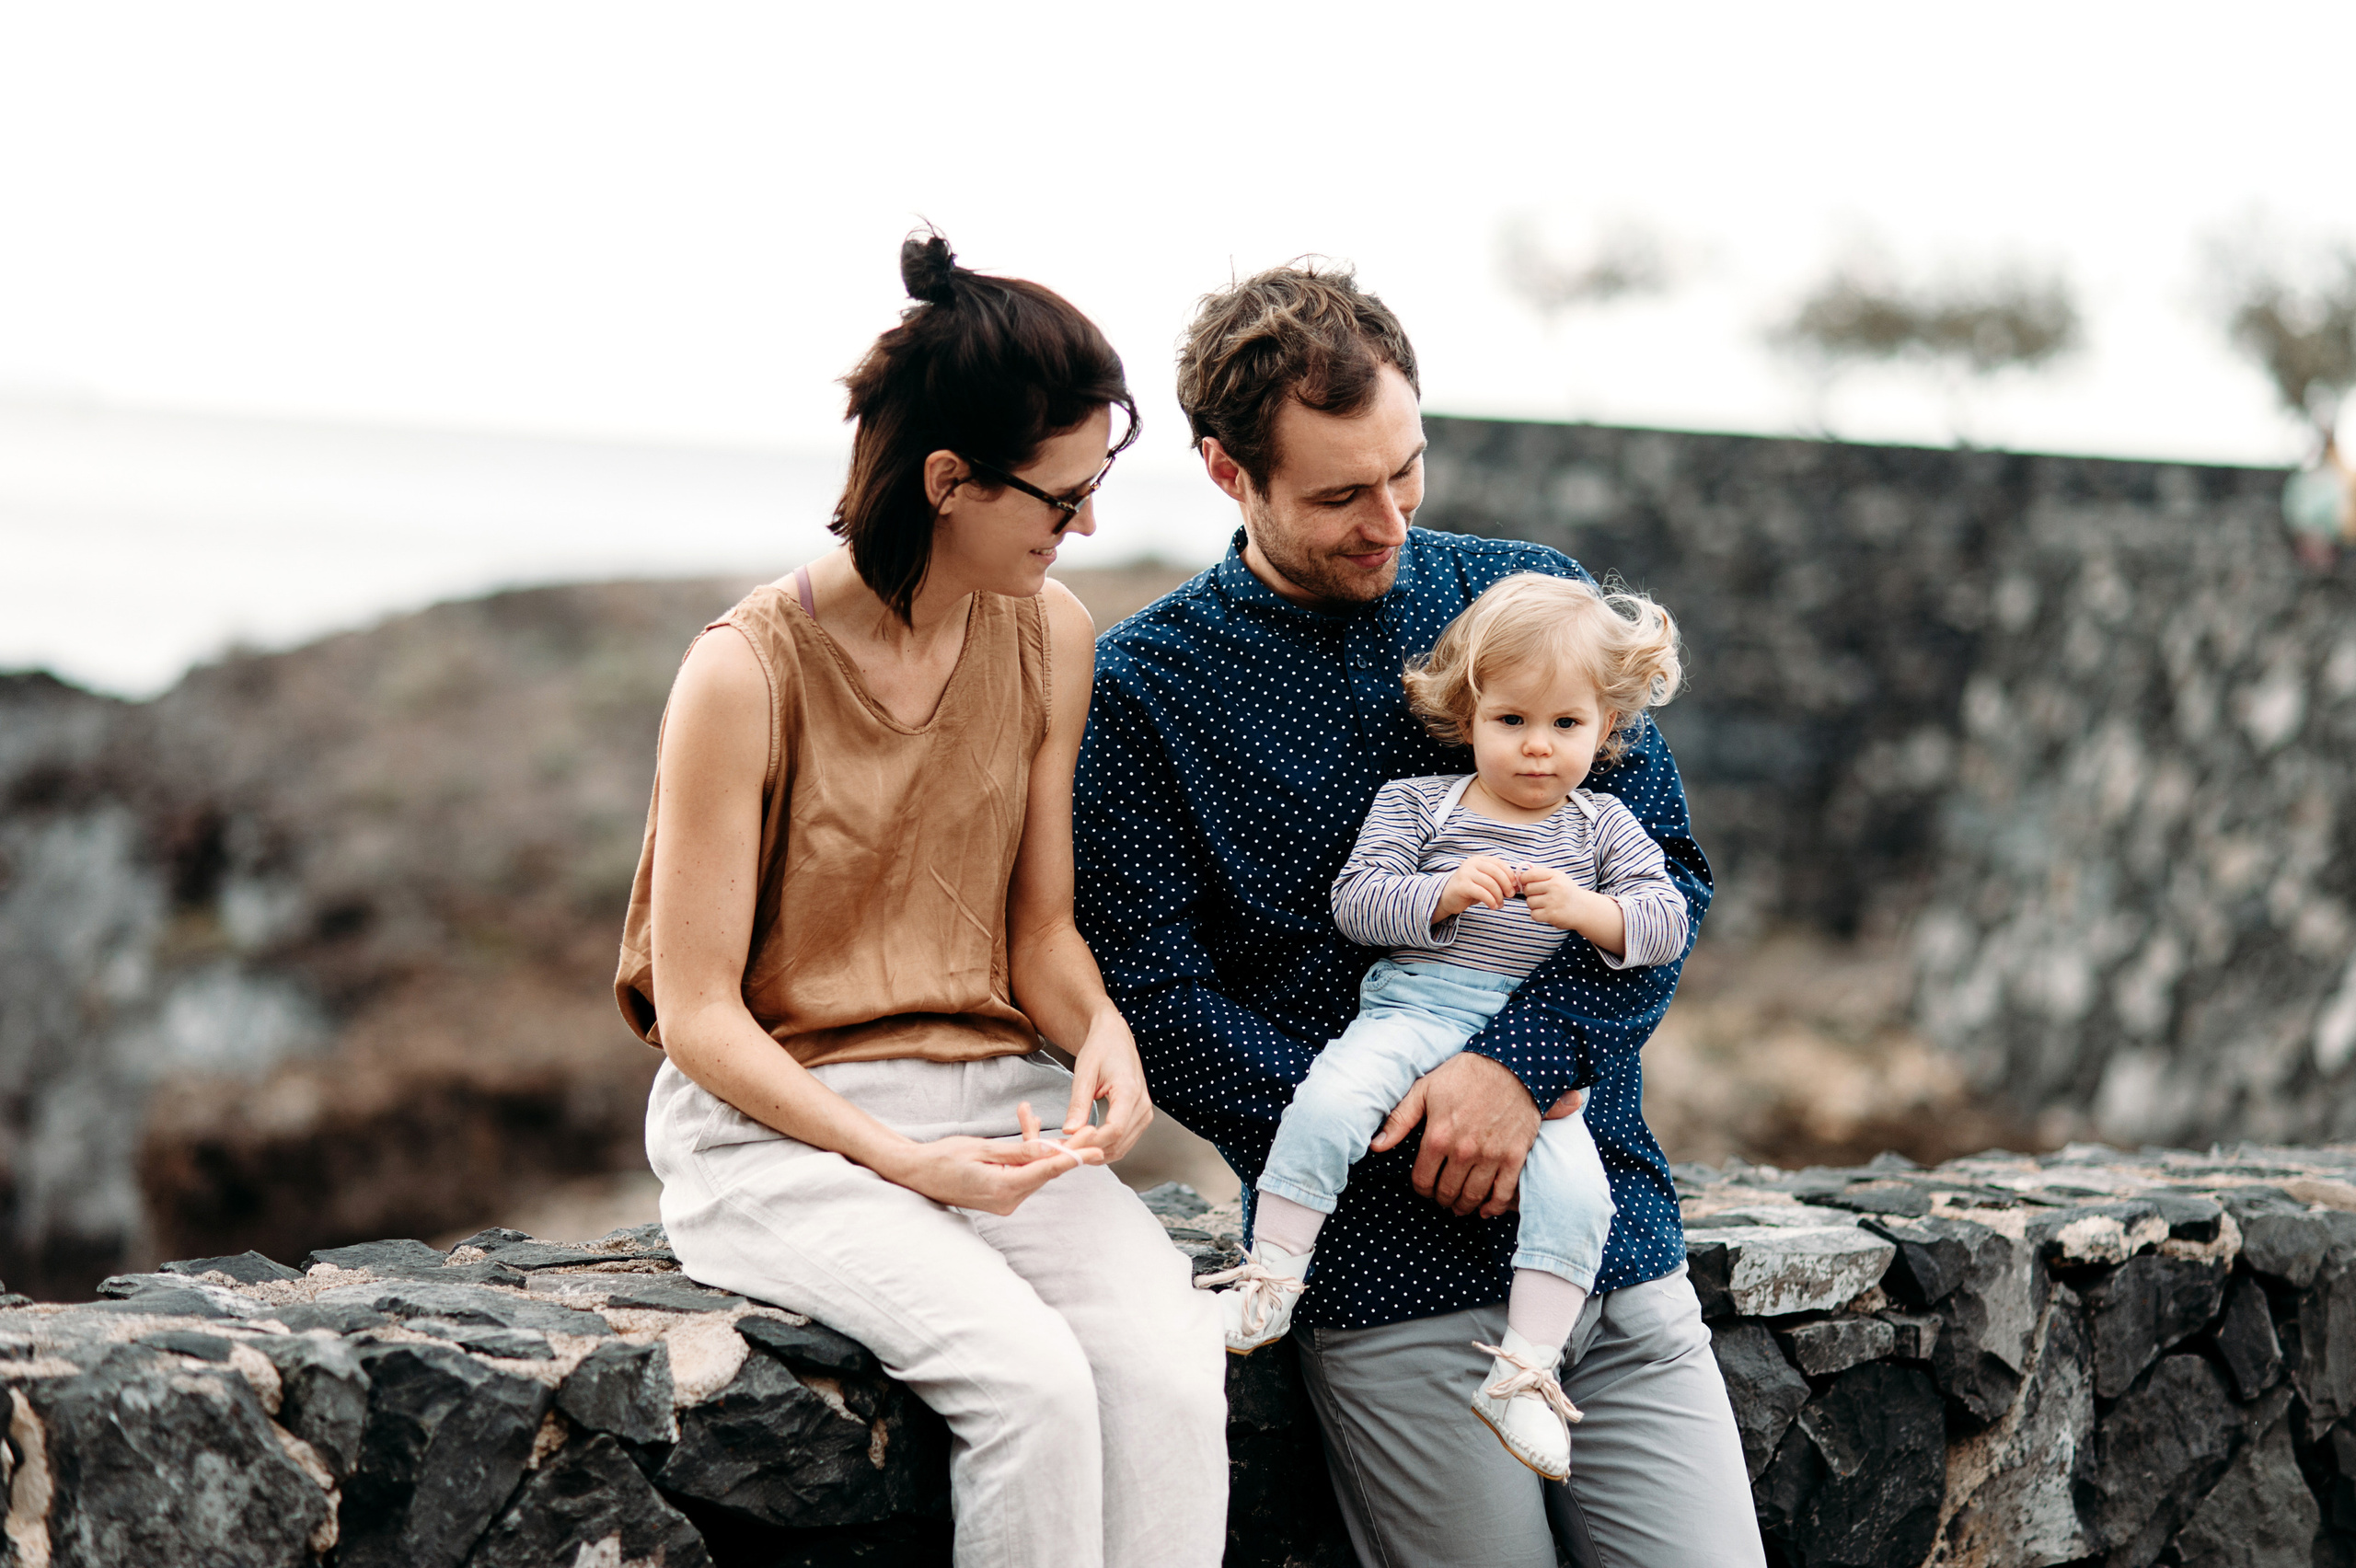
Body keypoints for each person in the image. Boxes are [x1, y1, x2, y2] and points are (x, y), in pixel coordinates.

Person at [1072, 259, 1764, 1567]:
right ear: (1226, 472)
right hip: (1384, 1281)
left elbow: (1664, 875)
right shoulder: (1144, 690)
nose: (1387, 520)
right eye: (1340, 495)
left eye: (1408, 471)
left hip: (1611, 1243)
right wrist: (1404, 1123)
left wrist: (1516, 1069)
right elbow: (1154, 998)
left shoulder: (1528, 597)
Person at [617, 233, 1228, 1568]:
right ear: (949, 480)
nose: (1084, 528)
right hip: (774, 1141)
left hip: (992, 1107)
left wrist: (1103, 1033)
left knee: (1174, 1375)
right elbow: (698, 1013)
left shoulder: (1051, 636)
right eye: (1061, 499)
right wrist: (902, 1165)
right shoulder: (741, 674)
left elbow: (1039, 933)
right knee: (1032, 1388)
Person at [1206, 572, 1691, 1486]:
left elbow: (1664, 925)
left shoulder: (1605, 826)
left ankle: (1524, 1374)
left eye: (1566, 724)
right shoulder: (1419, 803)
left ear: (1606, 729)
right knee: (1330, 1102)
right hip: (1413, 1005)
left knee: (1579, 1197)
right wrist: (1440, 894)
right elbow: (1357, 904)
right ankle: (1272, 1273)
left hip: (1523, 1046)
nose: (1538, 746)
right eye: (1511, 720)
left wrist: (1588, 911)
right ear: (1468, 718)